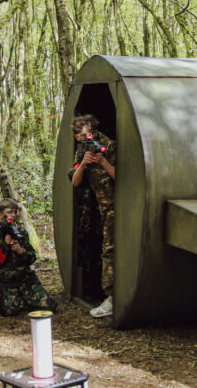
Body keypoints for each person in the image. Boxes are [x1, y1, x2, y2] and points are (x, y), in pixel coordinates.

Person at [68, 114, 116, 318]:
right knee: (103, 248)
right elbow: (75, 180)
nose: (88, 137)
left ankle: (113, 299)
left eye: (90, 133)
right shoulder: (83, 150)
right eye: (82, 135)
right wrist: (85, 163)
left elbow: (122, 177)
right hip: (100, 209)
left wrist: (103, 161)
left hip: (117, 207)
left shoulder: (109, 145)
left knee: (110, 250)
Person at [0, 199, 56, 316]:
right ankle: (10, 301)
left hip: (25, 279)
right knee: (11, 310)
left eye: (15, 212)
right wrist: (5, 246)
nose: (13, 215)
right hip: (6, 281)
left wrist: (22, 252)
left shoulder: (20, 232)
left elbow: (32, 257)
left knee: (48, 305)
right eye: (10, 212)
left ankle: (25, 298)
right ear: (0, 215)